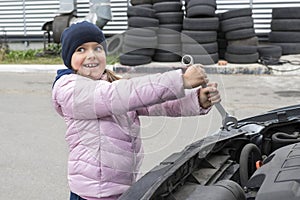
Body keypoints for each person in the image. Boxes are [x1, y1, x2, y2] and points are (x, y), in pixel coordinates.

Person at [52, 21, 221, 200]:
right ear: (68, 57)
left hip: (123, 188)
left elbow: (154, 103)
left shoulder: (112, 84)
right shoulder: (70, 89)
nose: (91, 55)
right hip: (93, 194)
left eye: (97, 48)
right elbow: (119, 96)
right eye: (81, 49)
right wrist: (180, 80)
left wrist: (197, 99)